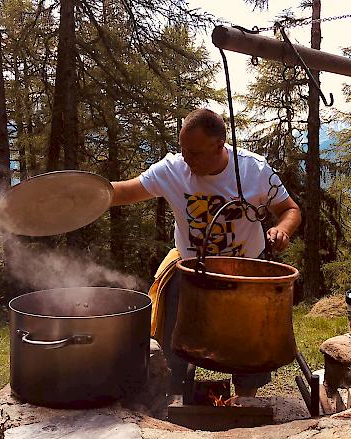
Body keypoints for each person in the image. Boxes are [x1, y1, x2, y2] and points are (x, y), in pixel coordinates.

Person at [110, 108, 301, 398]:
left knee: (249, 347)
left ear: (219, 145)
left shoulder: (254, 170)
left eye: (194, 152)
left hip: (246, 274)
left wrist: (283, 229)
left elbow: (290, 209)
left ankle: (245, 402)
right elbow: (123, 192)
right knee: (174, 344)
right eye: (183, 149)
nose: (186, 157)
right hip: (192, 273)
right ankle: (173, 400)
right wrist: (81, 194)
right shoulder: (173, 170)